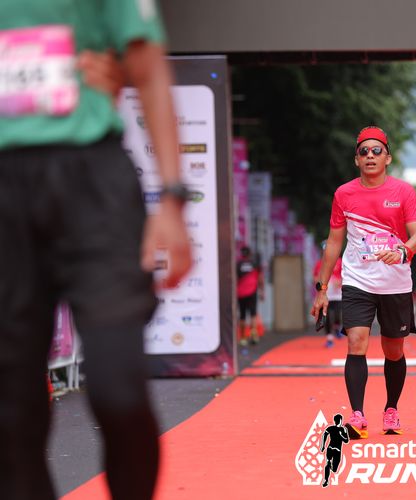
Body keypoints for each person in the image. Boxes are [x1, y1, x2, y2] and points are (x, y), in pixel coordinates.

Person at [0, 3, 192, 499]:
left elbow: (147, 69)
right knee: (12, 415)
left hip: (92, 183)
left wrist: (172, 200)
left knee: (119, 392)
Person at [310, 126, 416, 439]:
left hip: (395, 282)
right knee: (356, 341)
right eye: (364, 152)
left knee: (393, 350)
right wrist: (322, 289)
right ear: (356, 160)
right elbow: (334, 243)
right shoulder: (344, 194)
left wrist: (403, 250)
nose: (370, 156)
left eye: (377, 151)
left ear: (388, 158)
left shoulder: (403, 192)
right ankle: (357, 415)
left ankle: (391, 409)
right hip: (357, 280)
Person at [313, 242, 343, 347]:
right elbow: (315, 278)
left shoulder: (339, 261)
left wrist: (340, 281)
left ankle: (337, 327)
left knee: (338, 314)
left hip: (337, 294)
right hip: (325, 294)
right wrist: (319, 282)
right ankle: (329, 338)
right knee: (327, 316)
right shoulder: (319, 264)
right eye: (325, 250)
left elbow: (345, 275)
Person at [237, 246, 265, 345]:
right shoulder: (255, 263)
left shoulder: (238, 264)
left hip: (240, 293)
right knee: (253, 314)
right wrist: (262, 291)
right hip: (252, 291)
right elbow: (260, 279)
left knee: (242, 315)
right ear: (249, 254)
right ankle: (253, 336)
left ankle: (243, 338)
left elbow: (234, 279)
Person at [319, 413, 349, 488]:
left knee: (332, 467)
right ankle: (326, 479)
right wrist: (341, 435)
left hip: (333, 449)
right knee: (330, 465)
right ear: (340, 420)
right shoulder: (340, 429)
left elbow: (324, 435)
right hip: (335, 450)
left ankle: (328, 473)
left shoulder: (336, 428)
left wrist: (323, 446)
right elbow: (346, 440)